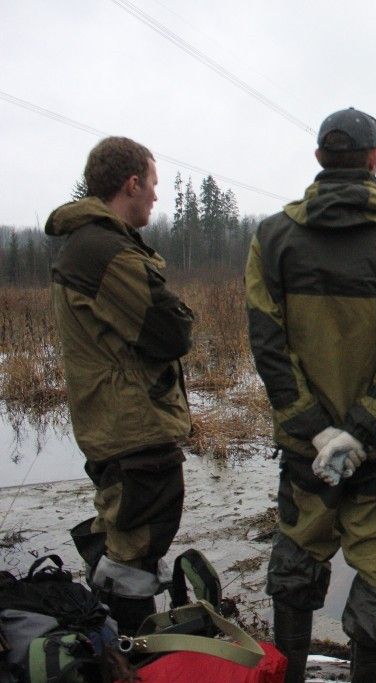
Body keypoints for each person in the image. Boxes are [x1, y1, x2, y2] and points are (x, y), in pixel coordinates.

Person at [246, 107, 376, 683]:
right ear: (375, 158)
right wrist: (361, 429)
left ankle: (288, 675)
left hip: (308, 453)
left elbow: (268, 344)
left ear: (319, 160)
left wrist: (317, 429)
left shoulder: (274, 237)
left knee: (297, 563)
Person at [45, 136, 194, 635]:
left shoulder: (94, 244)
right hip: (131, 428)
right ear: (131, 183)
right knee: (135, 550)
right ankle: (126, 651)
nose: (155, 195)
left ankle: (112, 639)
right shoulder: (104, 249)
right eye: (152, 184)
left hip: (115, 423)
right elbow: (172, 330)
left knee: (126, 538)